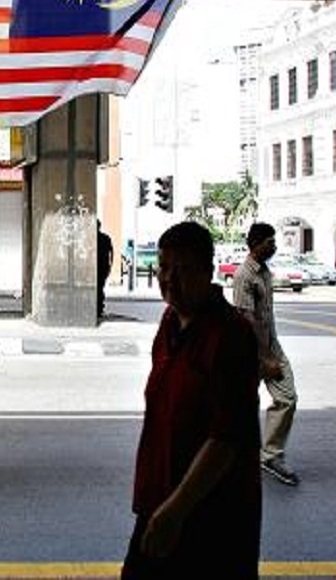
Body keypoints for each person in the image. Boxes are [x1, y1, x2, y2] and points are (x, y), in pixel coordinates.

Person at [122, 222, 261, 579]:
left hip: (210, 514)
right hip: (160, 503)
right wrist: (159, 507)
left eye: (182, 269)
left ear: (207, 272)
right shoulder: (169, 323)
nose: (169, 278)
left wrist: (176, 510)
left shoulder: (231, 335)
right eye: (164, 267)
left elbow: (225, 439)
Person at [231, 222, 300, 486]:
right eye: (270, 242)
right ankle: (224, 454)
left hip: (272, 345)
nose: (274, 246)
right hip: (252, 351)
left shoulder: (265, 271)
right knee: (238, 406)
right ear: (256, 244)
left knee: (287, 397)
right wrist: (265, 357)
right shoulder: (243, 275)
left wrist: (272, 352)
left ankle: (270, 454)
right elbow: (246, 319)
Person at [97, 220, 113, 319]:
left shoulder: (93, 238)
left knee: (98, 288)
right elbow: (111, 252)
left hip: (98, 266)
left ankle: (98, 307)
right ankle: (100, 307)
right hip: (103, 266)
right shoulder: (106, 238)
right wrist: (110, 265)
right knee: (100, 287)